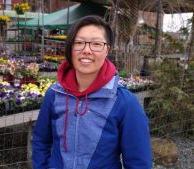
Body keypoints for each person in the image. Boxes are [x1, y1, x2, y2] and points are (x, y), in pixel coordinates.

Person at [32, 15, 152, 169]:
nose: (86, 50)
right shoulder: (54, 94)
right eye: (79, 43)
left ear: (107, 49)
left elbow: (138, 163)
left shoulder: (124, 102)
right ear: (70, 47)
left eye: (96, 44)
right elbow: (41, 140)